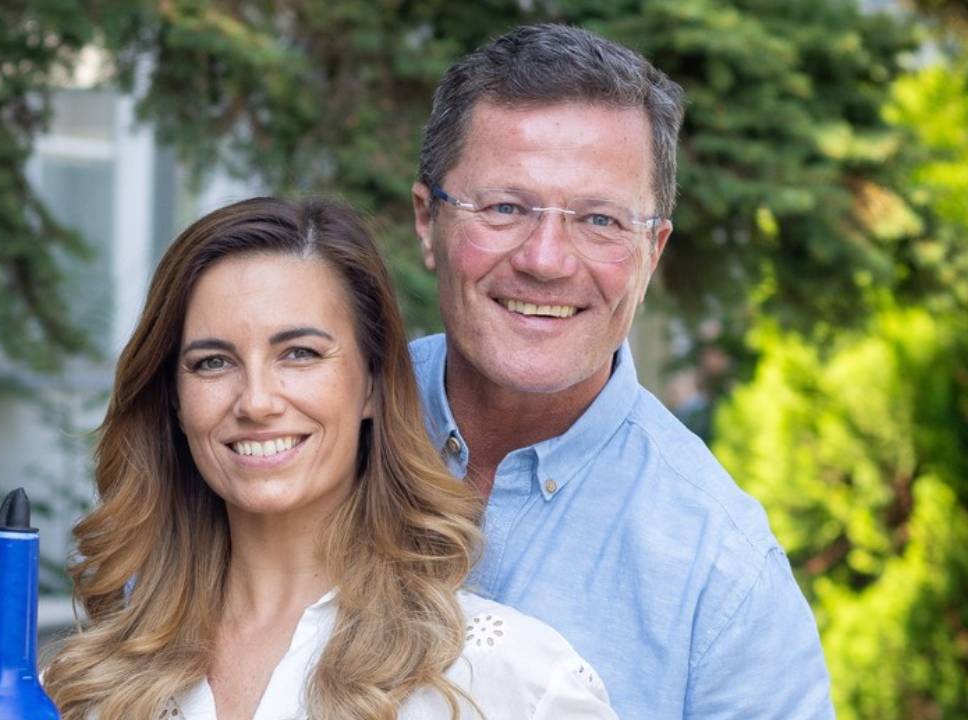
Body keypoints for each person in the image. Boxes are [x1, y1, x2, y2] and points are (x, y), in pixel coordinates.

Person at [43, 196, 616, 719]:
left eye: (299, 353)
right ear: (174, 398)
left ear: (372, 383)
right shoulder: (82, 686)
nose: (256, 402)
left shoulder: (508, 682)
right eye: (213, 362)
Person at [408, 23, 834, 719]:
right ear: (428, 220)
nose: (546, 260)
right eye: (506, 207)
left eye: (600, 220)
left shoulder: (724, 580)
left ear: (652, 252)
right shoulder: (319, 430)